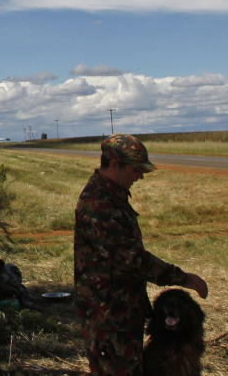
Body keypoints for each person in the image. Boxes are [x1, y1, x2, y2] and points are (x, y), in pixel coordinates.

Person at [74, 133, 208, 375]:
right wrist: (182, 278)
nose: (141, 176)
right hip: (109, 316)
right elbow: (131, 258)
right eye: (136, 169)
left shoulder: (113, 197)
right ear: (115, 165)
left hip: (123, 312)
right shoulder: (98, 204)